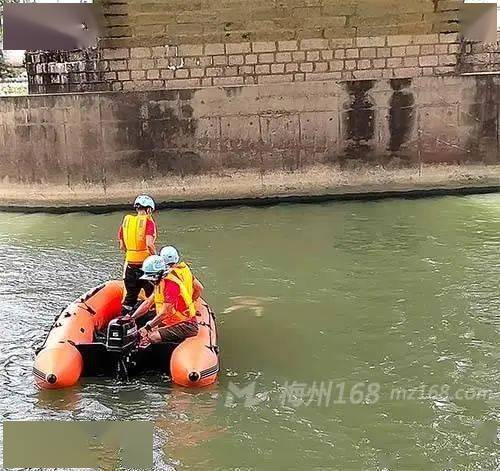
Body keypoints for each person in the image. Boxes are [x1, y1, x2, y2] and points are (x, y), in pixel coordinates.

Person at [131, 249, 203, 345]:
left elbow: (165, 312)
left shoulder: (171, 285)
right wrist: (132, 317)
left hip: (185, 324)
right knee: (148, 325)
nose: (150, 281)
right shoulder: (160, 283)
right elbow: (148, 303)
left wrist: (147, 327)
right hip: (171, 321)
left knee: (152, 336)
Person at [118, 195, 157, 316]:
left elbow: (122, 246)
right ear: (149, 209)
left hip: (130, 266)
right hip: (146, 268)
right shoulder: (148, 223)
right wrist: (156, 259)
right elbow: (149, 244)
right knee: (154, 296)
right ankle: (153, 322)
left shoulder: (126, 222)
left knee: (130, 298)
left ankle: (124, 319)